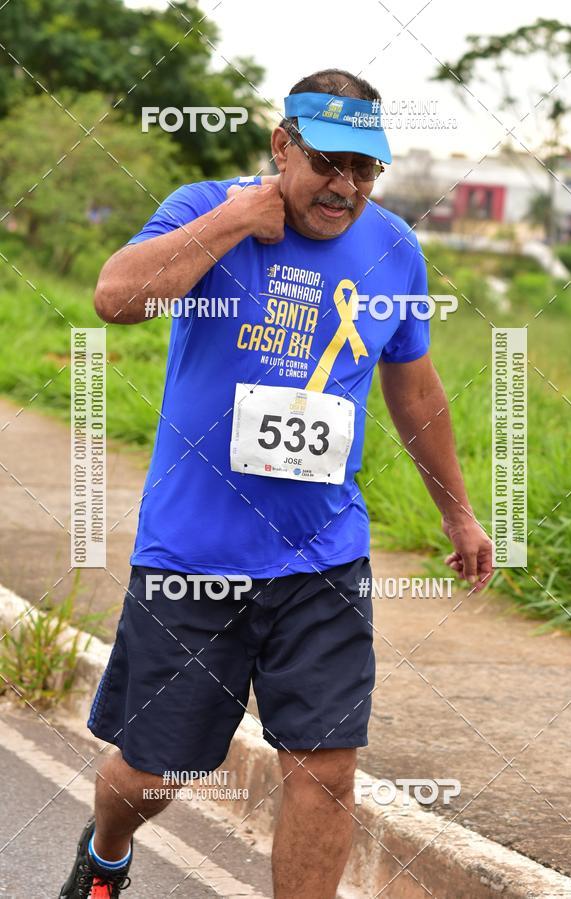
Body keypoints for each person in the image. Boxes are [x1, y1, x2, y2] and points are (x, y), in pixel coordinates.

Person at [59, 68, 492, 899]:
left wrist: (460, 513)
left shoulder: (395, 248)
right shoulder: (205, 207)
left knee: (326, 768)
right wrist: (231, 223)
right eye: (328, 162)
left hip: (323, 555)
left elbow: (415, 388)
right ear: (281, 146)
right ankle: (108, 849)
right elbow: (116, 297)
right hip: (194, 549)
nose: (346, 187)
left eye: (365, 170)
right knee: (155, 769)